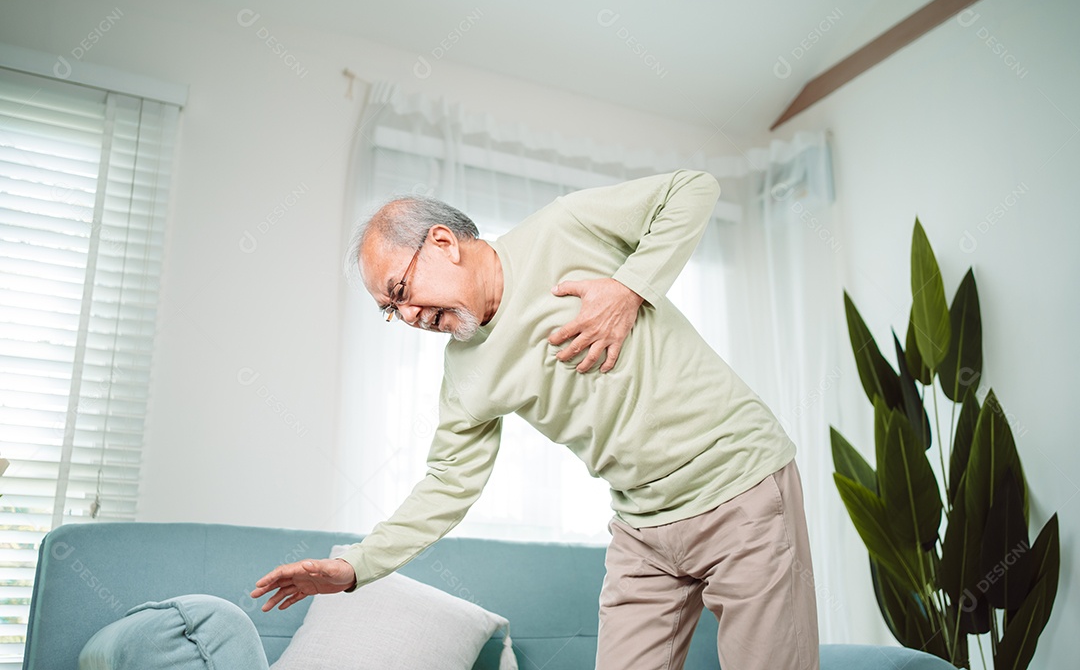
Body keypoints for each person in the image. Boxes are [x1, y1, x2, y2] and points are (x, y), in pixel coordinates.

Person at [251, 169, 820, 670]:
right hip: (643, 530)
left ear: (443, 242)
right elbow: (448, 483)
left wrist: (627, 288)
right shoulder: (465, 375)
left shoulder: (563, 228)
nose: (409, 316)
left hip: (739, 488)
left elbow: (692, 188)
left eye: (401, 291)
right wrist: (353, 568)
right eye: (390, 310)